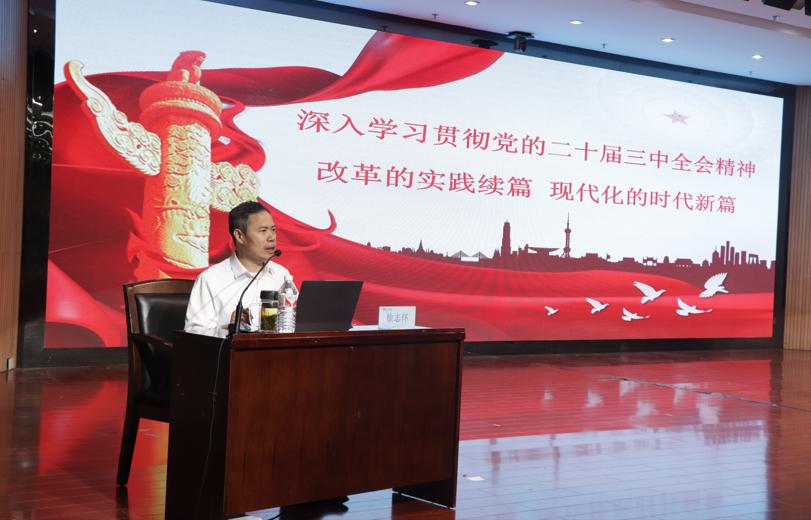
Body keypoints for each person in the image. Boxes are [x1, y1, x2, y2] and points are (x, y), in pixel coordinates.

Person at [184, 201, 290, 337]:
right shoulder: (210, 279)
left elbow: (297, 321)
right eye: (263, 231)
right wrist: (230, 328)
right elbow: (193, 336)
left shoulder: (281, 275)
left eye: (273, 230)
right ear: (240, 236)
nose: (272, 237)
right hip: (229, 350)